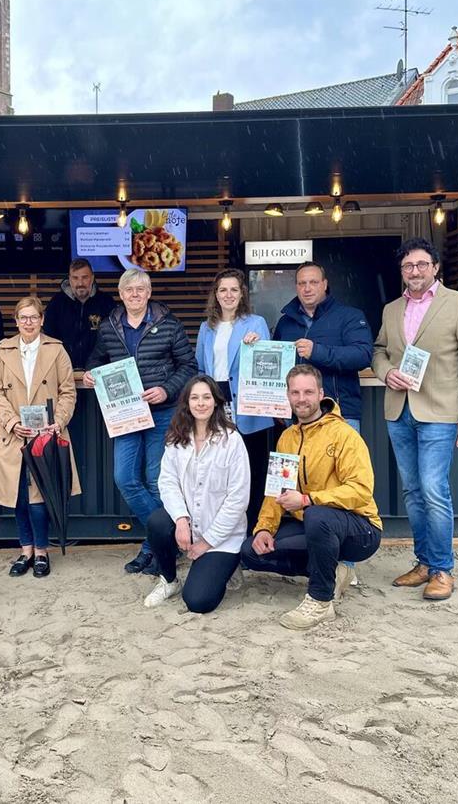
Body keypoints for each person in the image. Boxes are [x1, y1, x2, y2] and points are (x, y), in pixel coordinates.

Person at [372, 238, 458, 602]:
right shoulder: (391, 310)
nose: (415, 272)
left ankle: (442, 569)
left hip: (440, 413)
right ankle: (423, 563)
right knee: (413, 491)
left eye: (422, 264)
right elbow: (378, 351)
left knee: (434, 490)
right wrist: (386, 372)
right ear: (402, 272)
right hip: (399, 411)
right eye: (408, 266)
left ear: (435, 267)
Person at [240, 365, 382, 631]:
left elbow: (361, 490)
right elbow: (276, 492)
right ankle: (335, 571)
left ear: (321, 394)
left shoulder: (343, 435)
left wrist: (308, 499)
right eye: (295, 392)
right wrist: (263, 529)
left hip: (360, 529)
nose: (301, 399)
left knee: (318, 515)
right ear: (288, 396)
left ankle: (320, 600)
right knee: (251, 552)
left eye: (308, 392)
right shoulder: (287, 438)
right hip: (314, 523)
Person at [84, 268, 197, 576]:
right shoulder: (109, 326)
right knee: (124, 478)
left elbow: (189, 365)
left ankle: (153, 549)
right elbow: (97, 358)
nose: (134, 294)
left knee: (155, 481)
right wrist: (90, 372)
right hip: (126, 413)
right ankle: (168, 539)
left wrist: (166, 389)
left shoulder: (169, 324)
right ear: (120, 294)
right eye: (128, 289)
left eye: (140, 289)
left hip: (163, 412)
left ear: (149, 293)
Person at [0, 296, 80, 578]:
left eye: (33, 317)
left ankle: (41, 551)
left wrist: (57, 422)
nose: (28, 322)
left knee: (40, 495)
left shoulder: (57, 350)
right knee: (18, 496)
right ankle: (25, 550)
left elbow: (67, 391)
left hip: (46, 433)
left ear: (42, 320)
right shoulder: (4, 350)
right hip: (13, 432)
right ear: (16, 321)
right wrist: (12, 422)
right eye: (23, 318)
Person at [143, 376, 249, 613]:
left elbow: (238, 499)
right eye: (195, 398)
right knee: (158, 522)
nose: (201, 403)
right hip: (189, 527)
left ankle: (227, 567)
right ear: (187, 403)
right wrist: (181, 519)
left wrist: (206, 543)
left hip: (221, 537)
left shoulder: (232, 441)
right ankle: (169, 580)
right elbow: (167, 482)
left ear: (215, 402)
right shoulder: (177, 438)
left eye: (206, 397)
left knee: (199, 602)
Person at [194, 268, 274, 527]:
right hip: (216, 404)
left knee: (253, 469)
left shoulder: (256, 322)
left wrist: (258, 344)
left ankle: (254, 528)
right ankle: (223, 528)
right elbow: (200, 368)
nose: (228, 295)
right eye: (223, 290)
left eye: (234, 290)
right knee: (220, 470)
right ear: (215, 295)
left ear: (242, 294)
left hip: (249, 405)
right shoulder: (207, 327)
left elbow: (268, 360)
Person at [272, 262, 372, 432]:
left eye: (313, 282)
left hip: (339, 413)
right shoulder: (285, 322)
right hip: (297, 414)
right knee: (298, 459)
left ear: (325, 284)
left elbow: (363, 355)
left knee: (342, 460)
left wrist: (317, 351)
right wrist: (276, 404)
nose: (307, 288)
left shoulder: (349, 316)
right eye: (302, 283)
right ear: (296, 287)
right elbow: (276, 366)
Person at [43, 259, 118, 369]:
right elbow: (49, 337)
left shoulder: (106, 302)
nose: (80, 283)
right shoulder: (57, 303)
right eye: (75, 278)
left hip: (98, 371)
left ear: (92, 278)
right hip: (64, 370)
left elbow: (113, 339)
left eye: (85, 277)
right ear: (69, 279)